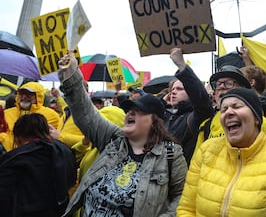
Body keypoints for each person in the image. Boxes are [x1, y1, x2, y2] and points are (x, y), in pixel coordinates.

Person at [57, 52, 188, 217]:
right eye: (130, 110)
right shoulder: (113, 139)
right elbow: (86, 113)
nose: (130, 114)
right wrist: (70, 74)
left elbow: (182, 196)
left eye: (138, 111)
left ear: (155, 122)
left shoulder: (170, 154)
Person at [177, 87, 266, 216]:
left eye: (236, 106)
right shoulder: (207, 151)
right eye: (223, 109)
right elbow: (186, 208)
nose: (228, 112)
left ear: (257, 119)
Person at [0, 113, 76, 216]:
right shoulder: (65, 151)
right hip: (62, 211)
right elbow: (71, 181)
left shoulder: (15, 158)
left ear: (18, 137)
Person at [195, 65, 266, 152]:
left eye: (228, 83)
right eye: (218, 84)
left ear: (242, 89)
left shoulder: (262, 125)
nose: (221, 87)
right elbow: (197, 163)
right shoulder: (206, 126)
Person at [161, 47, 214, 164]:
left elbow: (202, 101)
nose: (173, 92)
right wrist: (162, 104)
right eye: (172, 89)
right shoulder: (165, 115)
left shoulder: (195, 117)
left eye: (180, 89)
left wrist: (182, 66)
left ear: (191, 93)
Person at [0, 82, 61, 151]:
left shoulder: (51, 115)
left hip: (34, 156)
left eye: (29, 94)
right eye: (21, 94)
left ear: (39, 96)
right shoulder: (6, 113)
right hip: (6, 155)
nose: (24, 97)